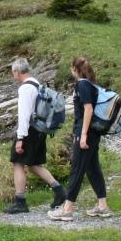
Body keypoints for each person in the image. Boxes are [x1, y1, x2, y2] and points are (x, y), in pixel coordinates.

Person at [48, 56, 112, 221]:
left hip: (86, 134)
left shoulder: (82, 84)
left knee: (77, 169)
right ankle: (102, 206)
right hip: (94, 134)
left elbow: (88, 110)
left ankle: (67, 209)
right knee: (92, 168)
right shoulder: (92, 85)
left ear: (74, 69)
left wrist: (82, 135)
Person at [4, 58, 66, 214]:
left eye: (13, 73)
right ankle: (59, 191)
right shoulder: (37, 85)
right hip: (40, 130)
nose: (14, 75)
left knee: (18, 163)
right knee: (33, 165)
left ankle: (20, 202)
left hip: (29, 131)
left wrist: (20, 138)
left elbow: (24, 115)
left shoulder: (25, 89)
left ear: (17, 72)